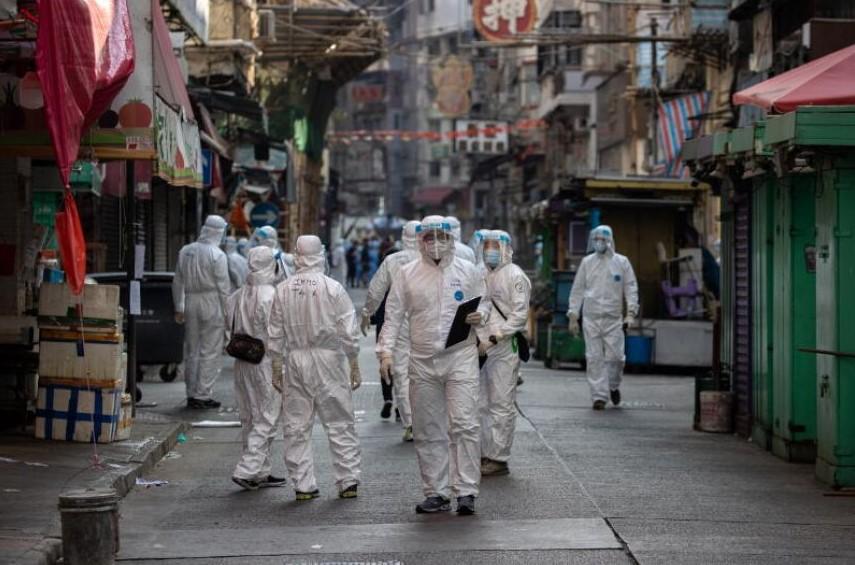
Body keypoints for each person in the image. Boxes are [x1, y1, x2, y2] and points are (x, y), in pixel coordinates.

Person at [378, 216, 490, 516]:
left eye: (442, 237)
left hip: (460, 356)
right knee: (428, 429)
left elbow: (485, 304)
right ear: (420, 240)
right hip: (422, 360)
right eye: (430, 237)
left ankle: (465, 490)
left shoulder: (468, 272)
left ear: (452, 239)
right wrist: (385, 353)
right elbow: (393, 316)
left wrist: (482, 319)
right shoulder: (407, 274)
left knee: (465, 424)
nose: (436, 243)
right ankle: (436, 492)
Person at [268, 235, 363, 501]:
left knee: (297, 425)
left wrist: (276, 364)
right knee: (340, 421)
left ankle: (303, 485)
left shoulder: (283, 289)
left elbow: (274, 332)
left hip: (296, 359)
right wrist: (353, 361)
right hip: (329, 360)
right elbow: (347, 328)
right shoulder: (332, 287)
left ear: (297, 254)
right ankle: (347, 481)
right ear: (320, 253)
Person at [226, 247, 286, 490]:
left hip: (242, 360)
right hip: (265, 362)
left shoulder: (238, 294)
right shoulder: (271, 295)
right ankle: (247, 468)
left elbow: (227, 325)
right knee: (268, 415)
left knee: (250, 416)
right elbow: (278, 332)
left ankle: (261, 470)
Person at [567, 225, 639, 410]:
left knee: (616, 358)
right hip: (591, 318)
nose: (600, 243)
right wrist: (573, 315)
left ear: (610, 241)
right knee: (594, 358)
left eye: (603, 240)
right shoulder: (587, 263)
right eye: (597, 239)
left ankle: (613, 386)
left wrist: (631, 313)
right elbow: (578, 289)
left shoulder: (621, 262)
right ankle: (599, 396)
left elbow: (630, 288)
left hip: (613, 319)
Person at [477, 230, 531, 476]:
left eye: (494, 246)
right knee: (483, 403)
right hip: (481, 348)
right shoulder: (481, 273)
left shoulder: (515, 275)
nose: (490, 250)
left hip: (503, 346)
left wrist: (498, 334)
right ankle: (484, 452)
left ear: (505, 248)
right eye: (486, 245)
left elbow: (520, 314)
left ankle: (498, 457)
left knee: (500, 403)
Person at [361, 220, 420, 441]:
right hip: (428, 321)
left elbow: (376, 289)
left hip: (399, 319)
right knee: (430, 372)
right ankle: (431, 420)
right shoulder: (434, 261)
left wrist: (367, 312)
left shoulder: (393, 260)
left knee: (402, 373)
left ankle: (411, 423)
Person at [172, 215, 230, 409]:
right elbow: (224, 288)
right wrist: (228, 313)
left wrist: (179, 306)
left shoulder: (185, 251)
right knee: (210, 351)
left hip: (190, 301)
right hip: (211, 302)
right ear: (219, 233)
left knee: (192, 350)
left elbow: (177, 281)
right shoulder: (218, 255)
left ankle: (191, 393)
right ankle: (203, 394)